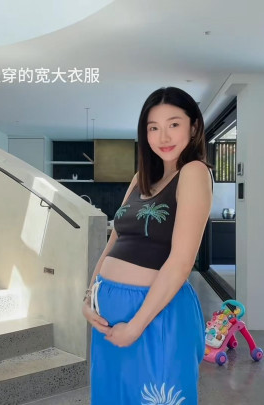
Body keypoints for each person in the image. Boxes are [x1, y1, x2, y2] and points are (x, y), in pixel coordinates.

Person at [82, 87, 213, 404]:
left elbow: (181, 261)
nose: (163, 136)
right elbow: (114, 241)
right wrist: (89, 296)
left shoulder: (193, 172)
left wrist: (135, 326)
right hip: (109, 314)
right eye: (153, 127)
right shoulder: (141, 178)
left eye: (174, 124)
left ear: (193, 126)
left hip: (155, 314)